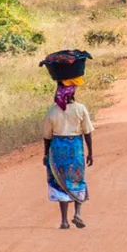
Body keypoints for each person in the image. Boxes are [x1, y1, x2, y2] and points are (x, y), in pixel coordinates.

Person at [43, 82, 94, 230]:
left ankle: (64, 221)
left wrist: (46, 154)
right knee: (77, 178)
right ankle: (78, 214)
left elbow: (47, 136)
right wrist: (90, 152)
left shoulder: (52, 111)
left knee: (60, 182)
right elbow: (87, 132)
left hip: (58, 150)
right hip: (75, 148)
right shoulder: (80, 109)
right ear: (73, 93)